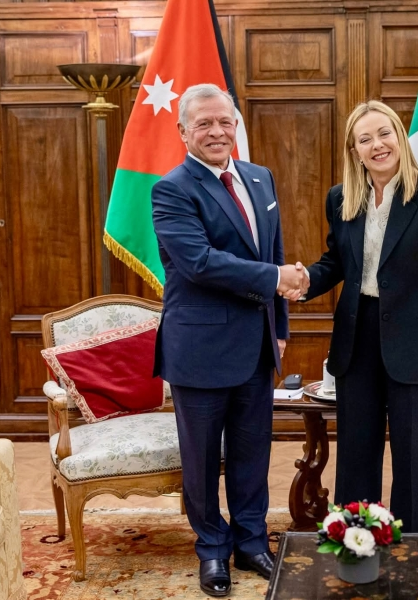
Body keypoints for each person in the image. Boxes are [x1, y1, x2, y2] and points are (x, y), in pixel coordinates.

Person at [151, 83, 306, 597]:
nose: (216, 132)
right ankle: (212, 550)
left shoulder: (260, 178)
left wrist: (279, 328)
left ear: (236, 125)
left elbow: (273, 252)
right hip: (199, 351)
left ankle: (251, 542)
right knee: (200, 462)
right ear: (183, 132)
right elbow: (199, 263)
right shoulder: (172, 189)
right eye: (204, 124)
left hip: (257, 347)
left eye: (224, 122)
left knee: (251, 454)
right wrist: (276, 278)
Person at [298, 100, 418, 533]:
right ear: (355, 151)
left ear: (400, 137)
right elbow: (336, 263)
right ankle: (357, 543)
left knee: (414, 457)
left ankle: (416, 550)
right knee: (356, 452)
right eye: (365, 139)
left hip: (417, 342)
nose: (377, 145)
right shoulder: (341, 198)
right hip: (357, 339)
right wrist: (302, 281)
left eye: (384, 133)